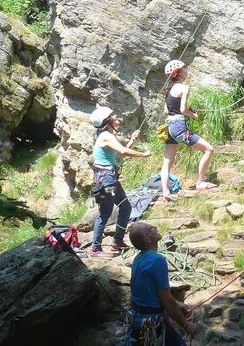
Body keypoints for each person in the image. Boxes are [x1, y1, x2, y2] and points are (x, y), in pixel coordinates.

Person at [89, 106, 151, 259]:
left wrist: (132, 140)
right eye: (112, 115)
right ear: (107, 121)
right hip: (106, 178)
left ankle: (117, 241)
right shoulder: (106, 136)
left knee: (125, 207)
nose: (116, 116)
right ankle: (95, 249)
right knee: (105, 213)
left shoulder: (107, 136)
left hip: (109, 177)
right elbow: (123, 152)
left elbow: (119, 152)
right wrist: (143, 154)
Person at [122, 222, 198, 346]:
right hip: (152, 323)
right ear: (147, 239)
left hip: (137, 319)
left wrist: (177, 304)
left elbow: (147, 292)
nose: (155, 227)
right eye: (151, 228)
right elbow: (166, 299)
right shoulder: (158, 260)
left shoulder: (138, 259)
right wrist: (186, 325)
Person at [160, 60, 218, 197]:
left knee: (168, 160)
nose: (187, 70)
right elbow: (183, 109)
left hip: (169, 128)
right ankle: (201, 182)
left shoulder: (168, 90)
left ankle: (165, 192)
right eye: (185, 68)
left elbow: (166, 111)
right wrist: (194, 115)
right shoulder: (184, 88)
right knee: (209, 149)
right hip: (179, 127)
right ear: (179, 72)